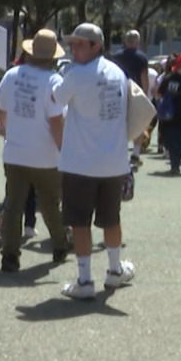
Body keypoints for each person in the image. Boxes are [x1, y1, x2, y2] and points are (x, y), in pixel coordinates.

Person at [52, 23, 135, 300]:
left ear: (96, 45)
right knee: (111, 219)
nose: (73, 48)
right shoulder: (117, 72)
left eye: (79, 43)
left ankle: (85, 280)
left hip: (80, 161)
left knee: (80, 222)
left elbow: (57, 98)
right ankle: (114, 270)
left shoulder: (77, 74)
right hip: (113, 160)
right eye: (72, 43)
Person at [0, 28, 68, 273]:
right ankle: (59, 244)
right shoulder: (54, 81)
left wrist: (6, 130)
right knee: (49, 204)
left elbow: (1, 109)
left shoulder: (13, 75)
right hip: (45, 155)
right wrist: (63, 150)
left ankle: (10, 255)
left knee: (14, 205)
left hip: (15, 152)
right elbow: (57, 122)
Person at [111, 30, 150, 165]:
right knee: (137, 123)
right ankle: (135, 154)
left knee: (118, 122)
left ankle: (118, 152)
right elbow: (144, 78)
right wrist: (145, 94)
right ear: (137, 41)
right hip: (136, 92)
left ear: (125, 41)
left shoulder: (116, 56)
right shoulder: (142, 57)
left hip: (118, 92)